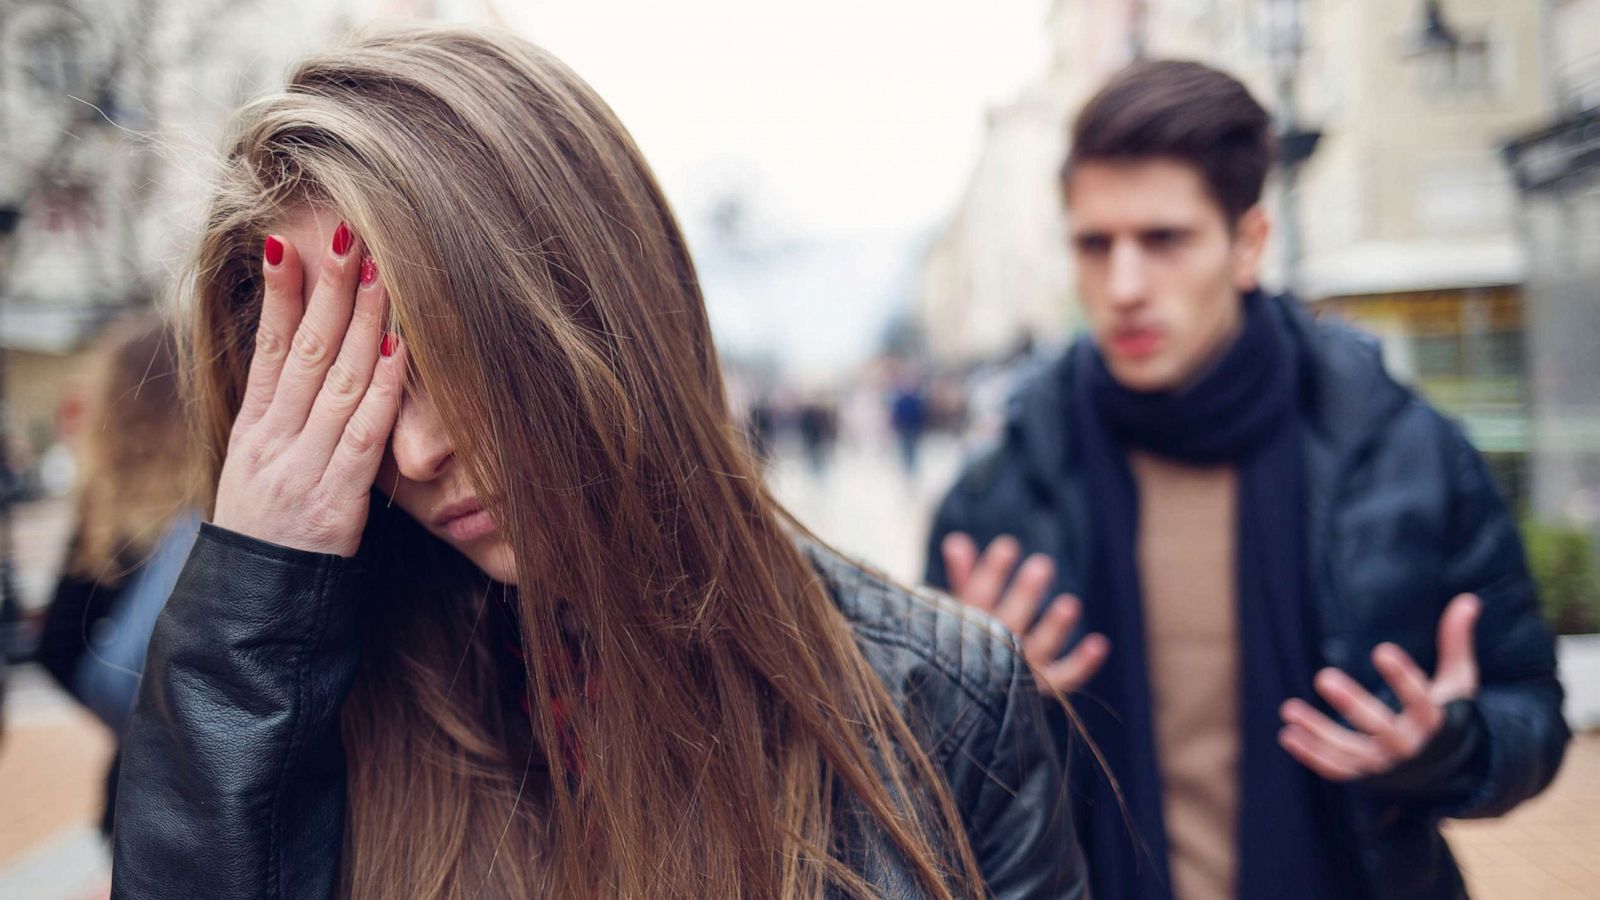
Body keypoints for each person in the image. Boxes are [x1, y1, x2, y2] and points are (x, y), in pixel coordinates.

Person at [110, 25, 1085, 900]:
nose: (411, 451)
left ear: (590, 298)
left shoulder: (943, 700)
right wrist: (249, 601)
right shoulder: (311, 723)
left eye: (444, 349)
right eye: (346, 390)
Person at [924, 60, 1568, 900]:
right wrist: (982, 705)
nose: (1122, 287)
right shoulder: (1001, 490)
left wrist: (1445, 749)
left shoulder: (1407, 453)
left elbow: (1534, 717)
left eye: (1164, 241)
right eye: (1095, 244)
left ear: (1249, 244)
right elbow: (917, 781)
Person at [32, 313, 200, 836]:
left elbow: (56, 648)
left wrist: (134, 721)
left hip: (137, 792)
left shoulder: (105, 516)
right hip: (231, 791)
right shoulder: (227, 501)